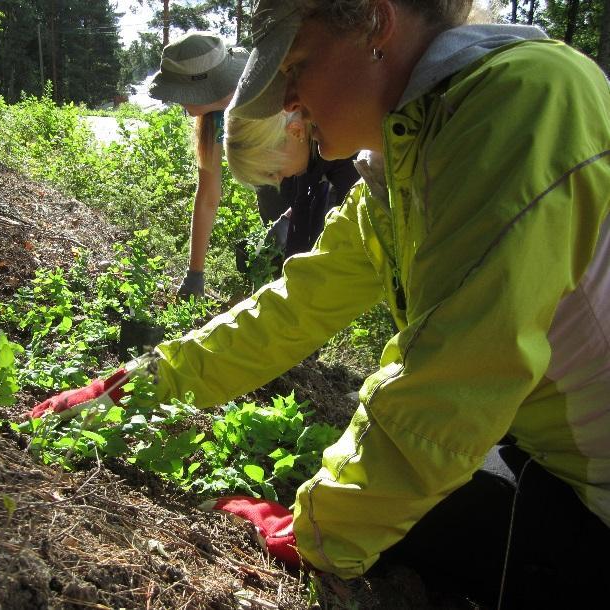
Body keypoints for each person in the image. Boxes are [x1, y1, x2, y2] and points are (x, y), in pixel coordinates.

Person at [33, 0, 610, 607]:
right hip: (553, 452)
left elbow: (453, 377)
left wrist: (314, 535)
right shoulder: (407, 161)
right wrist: (135, 386)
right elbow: (293, 308)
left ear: (375, 25)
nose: (287, 100)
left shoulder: (523, 103)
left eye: (297, 65)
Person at [148, 33, 288, 298]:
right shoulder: (214, 118)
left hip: (320, 194)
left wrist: (294, 216)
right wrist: (194, 274)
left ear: (201, 88)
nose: (176, 100)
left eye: (179, 91)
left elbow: (327, 165)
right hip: (275, 204)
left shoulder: (271, 96)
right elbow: (208, 197)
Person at [224, 111, 360, 262]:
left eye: (273, 172)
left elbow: (352, 240)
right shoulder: (303, 154)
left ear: (296, 132)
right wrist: (288, 220)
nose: (278, 179)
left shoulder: (347, 156)